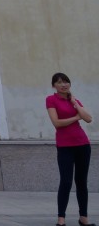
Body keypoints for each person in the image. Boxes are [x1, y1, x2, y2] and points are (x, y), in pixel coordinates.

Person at [47, 72, 93, 226]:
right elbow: (57, 123)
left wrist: (75, 103)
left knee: (81, 182)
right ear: (54, 85)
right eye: (59, 82)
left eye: (66, 82)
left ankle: (83, 218)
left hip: (83, 145)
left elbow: (88, 118)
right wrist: (75, 118)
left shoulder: (74, 100)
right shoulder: (51, 100)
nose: (63, 84)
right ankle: (61, 220)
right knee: (66, 182)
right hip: (65, 147)